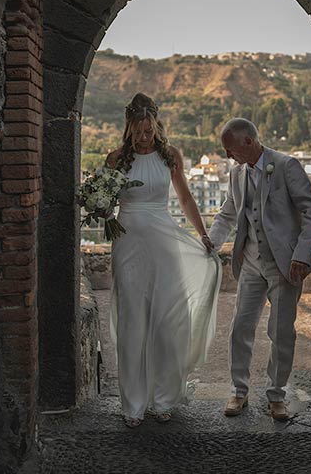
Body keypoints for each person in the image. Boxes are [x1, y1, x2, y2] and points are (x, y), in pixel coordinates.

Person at [106, 93, 221, 428]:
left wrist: (202, 233)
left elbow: (184, 197)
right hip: (127, 246)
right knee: (133, 323)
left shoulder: (170, 156)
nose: (145, 136)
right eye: (139, 131)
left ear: (156, 125)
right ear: (128, 128)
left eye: (150, 129)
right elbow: (106, 201)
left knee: (167, 323)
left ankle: (165, 398)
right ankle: (134, 405)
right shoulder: (115, 159)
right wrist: (100, 208)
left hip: (164, 243)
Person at [208, 118, 311, 421]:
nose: (229, 156)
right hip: (251, 264)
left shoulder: (286, 165)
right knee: (239, 328)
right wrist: (209, 244)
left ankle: (277, 394)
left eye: (231, 150)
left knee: (281, 332)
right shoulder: (236, 174)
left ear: (248, 142)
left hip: (285, 266)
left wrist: (302, 255)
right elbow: (227, 214)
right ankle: (238, 391)